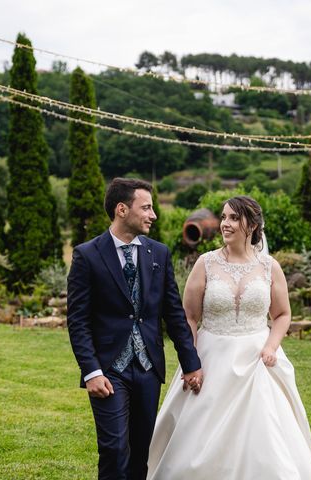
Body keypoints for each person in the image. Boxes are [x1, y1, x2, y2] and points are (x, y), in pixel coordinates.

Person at [147, 195, 311, 479]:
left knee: (267, 436)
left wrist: (271, 347)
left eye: (233, 218)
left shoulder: (269, 267)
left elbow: (282, 315)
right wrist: (191, 360)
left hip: (257, 361)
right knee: (197, 438)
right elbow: (189, 317)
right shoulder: (205, 263)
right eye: (224, 217)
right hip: (210, 356)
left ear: (251, 225)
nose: (225, 224)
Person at [67, 178, 204, 480]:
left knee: (140, 452)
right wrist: (91, 371)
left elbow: (174, 314)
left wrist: (191, 363)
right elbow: (77, 320)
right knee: (115, 449)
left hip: (147, 368)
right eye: (146, 207)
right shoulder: (87, 255)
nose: (153, 215)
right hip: (107, 370)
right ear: (121, 209)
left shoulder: (159, 253)